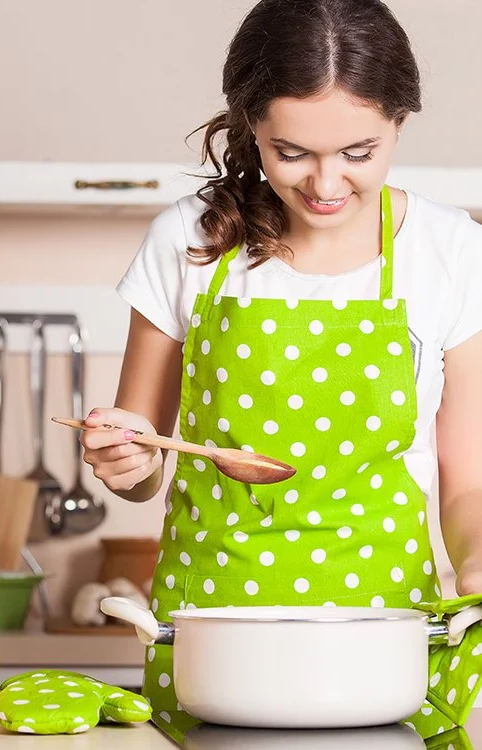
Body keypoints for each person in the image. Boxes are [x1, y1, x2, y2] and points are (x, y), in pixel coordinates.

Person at [80, 0, 482, 730]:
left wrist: (480, 566)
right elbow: (142, 467)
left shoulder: (451, 252)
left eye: (358, 152)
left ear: (400, 122)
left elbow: (471, 482)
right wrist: (123, 458)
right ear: (251, 128)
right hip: (210, 644)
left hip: (381, 644)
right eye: (291, 152)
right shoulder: (190, 238)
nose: (326, 185)